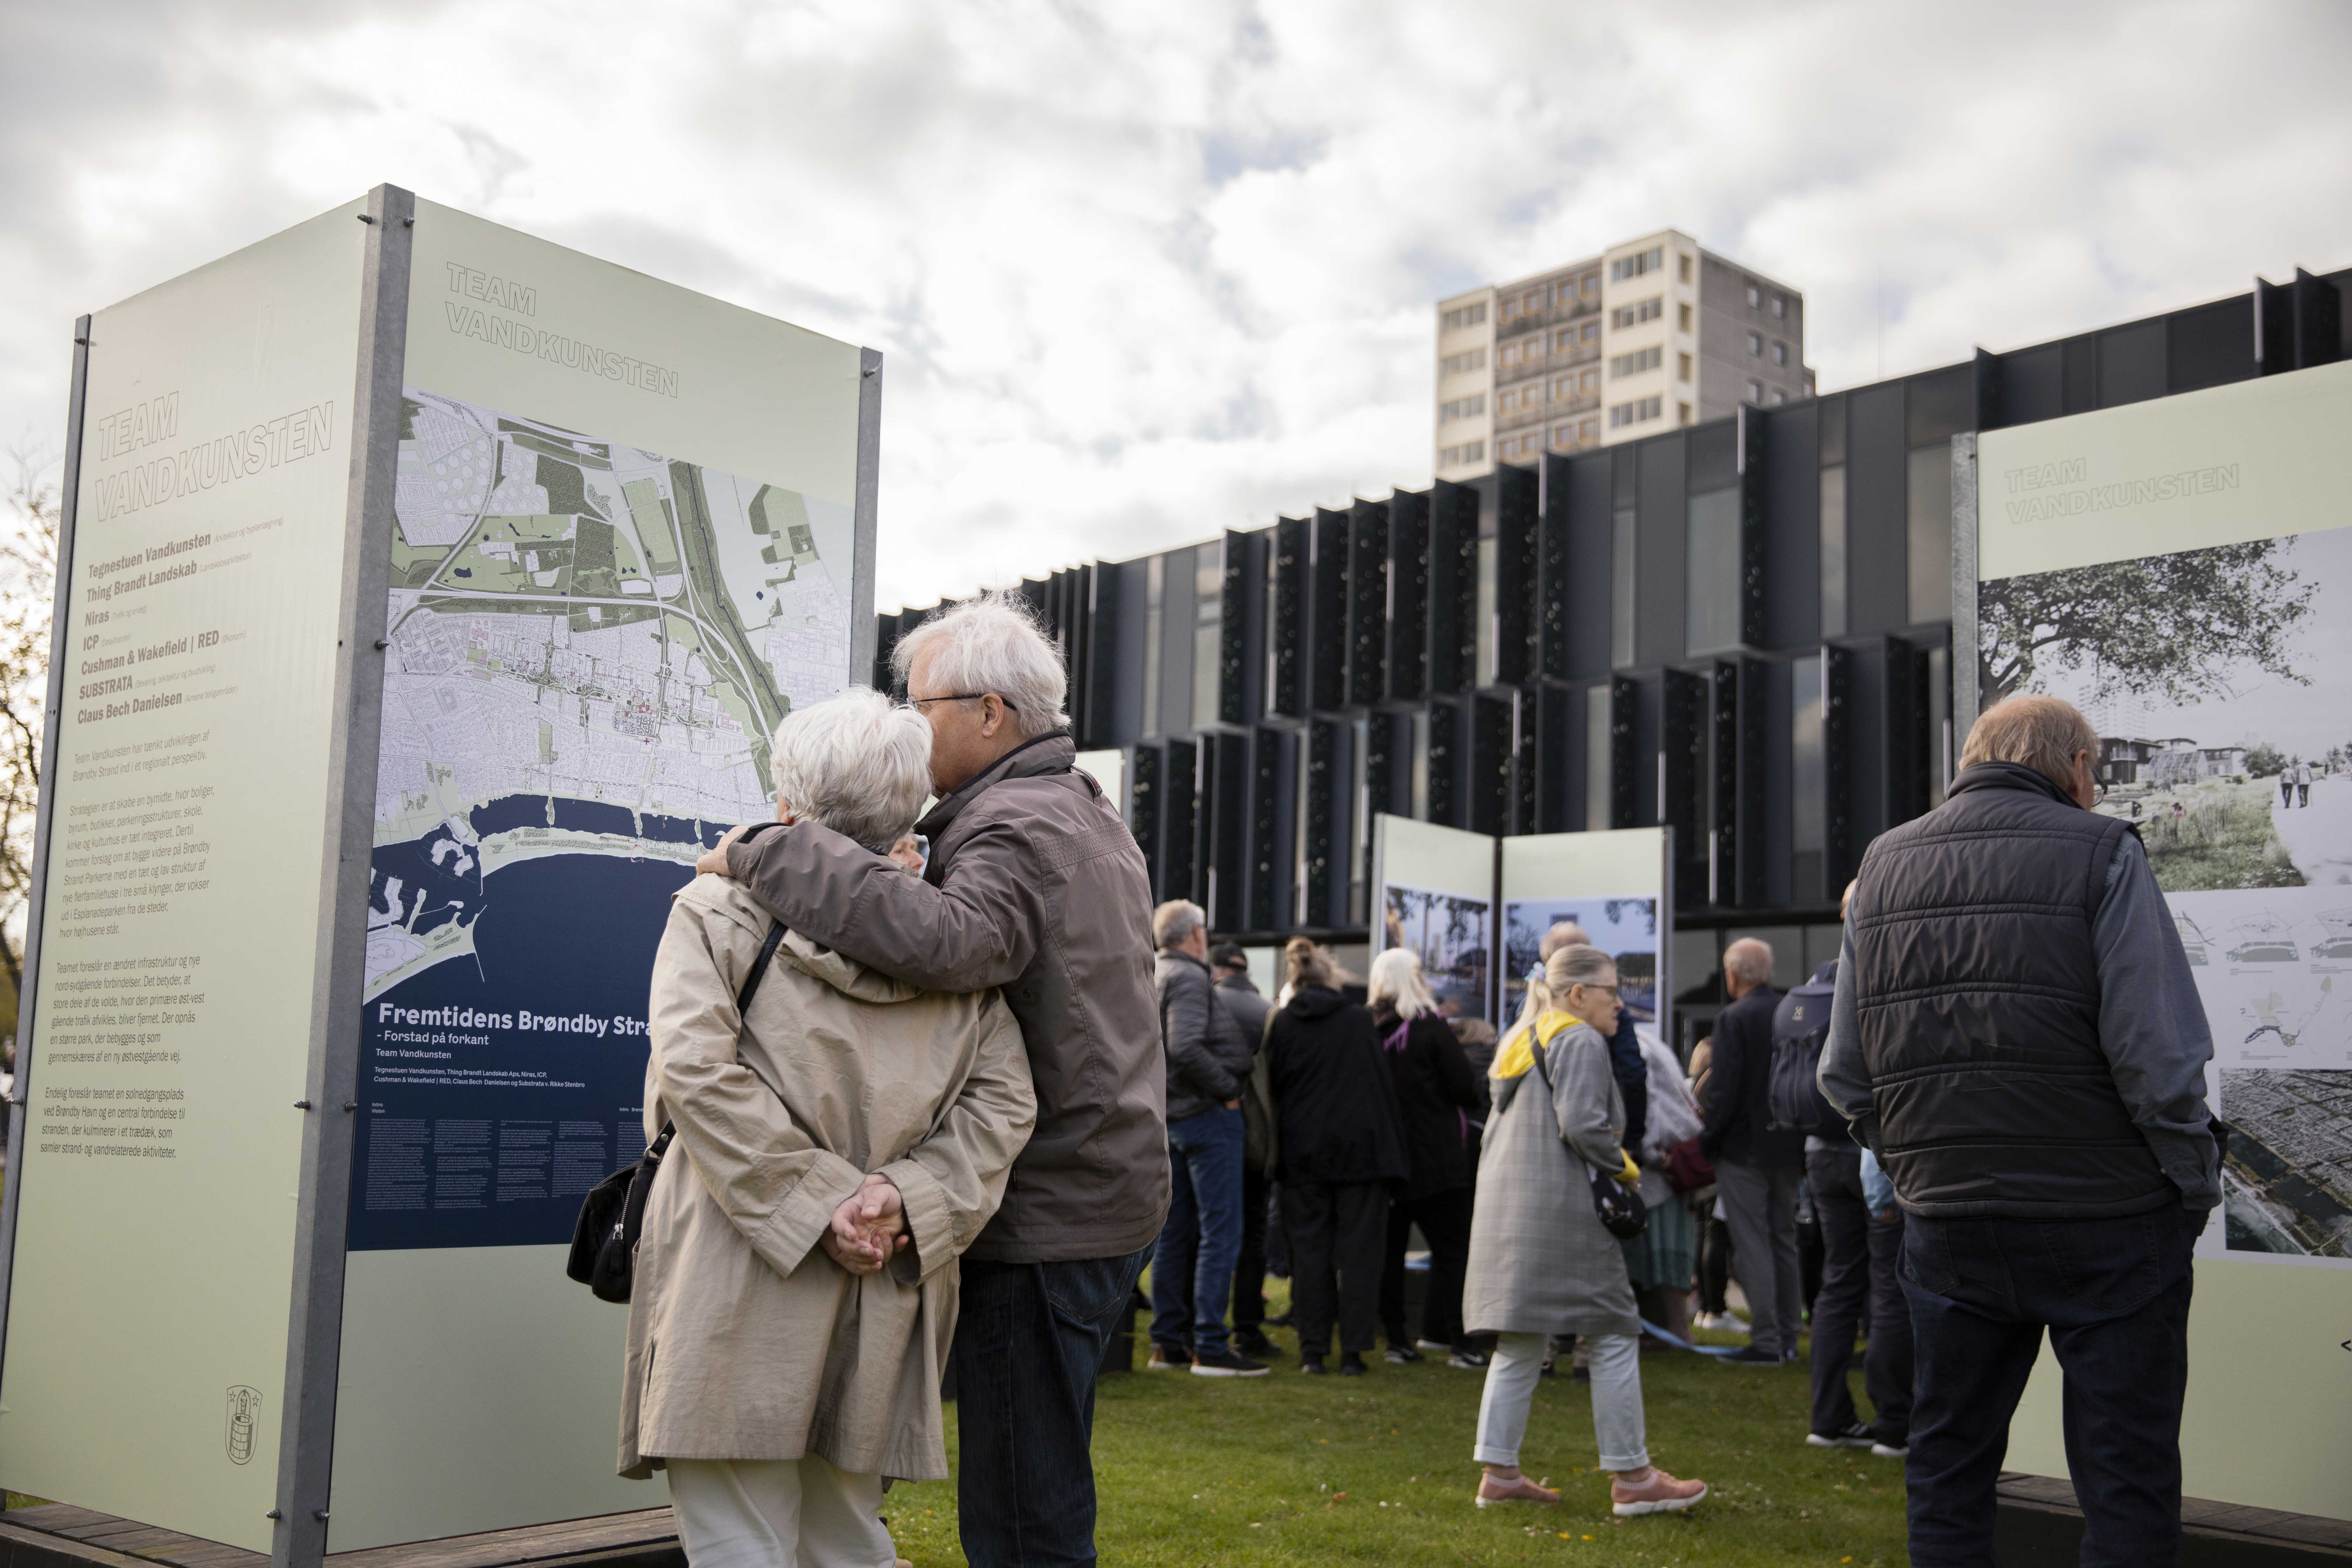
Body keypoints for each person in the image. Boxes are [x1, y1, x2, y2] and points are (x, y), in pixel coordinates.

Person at [695, 593, 1166, 1568]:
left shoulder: (1014, 824)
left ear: (990, 713)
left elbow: (951, 944)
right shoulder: (1068, 806)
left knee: (1024, 1515)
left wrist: (765, 850)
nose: (912, 727)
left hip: (1051, 1211)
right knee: (1029, 1487)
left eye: (923, 706)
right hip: (1093, 1192)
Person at [622, 689, 1037, 1568]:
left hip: (737, 1261)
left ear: (786, 812)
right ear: (905, 809)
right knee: (848, 1538)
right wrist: (897, 1200)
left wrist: (822, 1205)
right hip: (885, 1275)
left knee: (740, 1539)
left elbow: (698, 1073)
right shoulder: (959, 948)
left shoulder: (715, 913)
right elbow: (1000, 1108)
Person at [1819, 695, 2218, 1567]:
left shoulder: (1882, 863)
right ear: (2078, 767)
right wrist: (2192, 1182)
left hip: (1951, 1226)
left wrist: (1916, 1166)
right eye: (2098, 771)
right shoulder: (2104, 849)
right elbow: (2157, 1059)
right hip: (2109, 1219)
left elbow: (1845, 1074)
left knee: (1950, 1464)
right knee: (2126, 1478)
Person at [1461, 944, 1708, 1517]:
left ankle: (1499, 1474)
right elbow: (1583, 1127)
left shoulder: (1519, 1040)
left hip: (1512, 1211)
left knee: (1520, 1341)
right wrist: (1626, 1168)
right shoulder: (1576, 1039)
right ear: (1577, 995)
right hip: (1565, 1213)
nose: (1621, 1004)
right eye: (1612, 991)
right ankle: (1634, 1478)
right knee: (1616, 1333)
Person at [1785, 887, 1911, 1457]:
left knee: (1839, 1283)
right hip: (1870, 1152)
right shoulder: (1887, 968)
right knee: (1887, 1285)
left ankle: (1826, 1418)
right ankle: (1893, 1423)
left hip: (1819, 1150)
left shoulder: (1818, 979)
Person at [1261, 937, 1408, 1376]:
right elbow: (1381, 1089)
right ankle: (1354, 1351)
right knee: (1360, 1254)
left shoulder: (1283, 1024)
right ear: (1331, 977)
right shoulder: (1357, 1021)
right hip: (1360, 1155)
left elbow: (1276, 1089)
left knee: (1309, 1255)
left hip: (1303, 1155)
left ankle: (1312, 1351)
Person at [1145, 901, 1264, 1377]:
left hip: (1171, 1118)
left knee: (1176, 1233)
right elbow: (1185, 1045)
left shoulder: (1155, 970)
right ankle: (1211, 1345)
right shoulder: (1190, 977)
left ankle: (1168, 1342)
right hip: (1205, 1118)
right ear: (1196, 933)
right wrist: (1229, 1089)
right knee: (1220, 1233)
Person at [1368, 948, 1486, 1367]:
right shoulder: (1430, 1028)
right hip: (1437, 1156)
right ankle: (1461, 1341)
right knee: (1453, 1252)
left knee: (1389, 1253)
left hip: (1385, 1160)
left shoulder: (1368, 1028)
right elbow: (1464, 1087)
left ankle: (1398, 1340)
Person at [1698, 938, 1801, 1365]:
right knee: (1784, 1239)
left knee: (1752, 1242)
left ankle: (1768, 1341)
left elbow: (1725, 1089)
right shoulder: (1792, 1011)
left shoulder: (1733, 1018)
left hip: (1743, 1146)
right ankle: (1788, 1338)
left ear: (1732, 974)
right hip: (1790, 1142)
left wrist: (1708, 1140)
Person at [1208, 941, 1282, 1362]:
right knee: (1252, 1234)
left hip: (1203, 1127)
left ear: (1216, 969)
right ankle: (1248, 1328)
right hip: (1258, 1139)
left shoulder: (1203, 1002)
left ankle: (1188, 1329)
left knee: (1202, 1232)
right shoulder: (1268, 1012)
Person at [1624, 1020, 1703, 1349]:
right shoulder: (1649, 1042)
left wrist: (1648, 1154)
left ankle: (1672, 1330)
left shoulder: (1632, 1048)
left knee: (1656, 1252)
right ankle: (1672, 1329)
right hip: (1670, 1162)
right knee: (1669, 1252)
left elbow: (1646, 1106)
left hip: (1657, 1165)